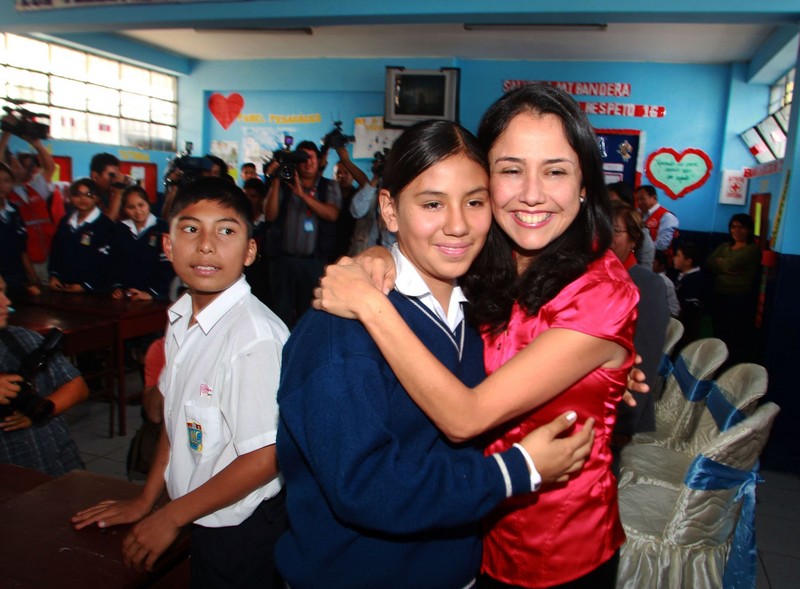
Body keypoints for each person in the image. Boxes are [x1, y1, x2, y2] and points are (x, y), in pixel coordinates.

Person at [314, 83, 640, 588]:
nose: (532, 193)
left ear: (584, 185)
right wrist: (381, 255)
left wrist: (372, 306)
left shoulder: (602, 292)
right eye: (511, 170)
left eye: (555, 170)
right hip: (466, 533)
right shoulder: (486, 262)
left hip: (555, 549)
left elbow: (466, 418)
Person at [72, 177, 290, 587]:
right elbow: (176, 420)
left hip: (241, 525)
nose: (206, 245)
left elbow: (266, 457)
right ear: (168, 245)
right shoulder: (181, 318)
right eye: (191, 229)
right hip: (196, 507)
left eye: (226, 231)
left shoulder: (253, 339)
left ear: (250, 251)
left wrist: (170, 515)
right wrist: (147, 499)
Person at [0, 275, 90, 476]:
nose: (6, 301)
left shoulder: (24, 339)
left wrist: (40, 411)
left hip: (57, 461)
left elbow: (78, 387)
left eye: (3, 292)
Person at [263, 140, 342, 328]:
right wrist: (275, 180)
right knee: (281, 313)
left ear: (319, 160)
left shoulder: (328, 186)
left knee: (312, 314)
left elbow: (332, 214)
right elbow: (270, 215)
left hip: (314, 262)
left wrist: (302, 195)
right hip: (284, 261)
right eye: (302, 158)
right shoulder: (283, 185)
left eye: (311, 158)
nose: (308, 163)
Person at [609, 201, 669, 441]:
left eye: (615, 231)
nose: (606, 238)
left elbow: (647, 354)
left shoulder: (647, 285)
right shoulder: (592, 278)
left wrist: (626, 419)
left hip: (620, 410)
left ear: (633, 239)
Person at [0, 120, 57, 282]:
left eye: (19, 163)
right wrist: (6, 134)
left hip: (47, 259)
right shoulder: (6, 195)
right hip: (25, 263)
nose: (17, 165)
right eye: (12, 162)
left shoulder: (34, 188)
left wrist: (36, 143)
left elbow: (50, 168)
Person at [706, 213, 760, 364]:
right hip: (720, 296)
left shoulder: (752, 249)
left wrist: (722, 265)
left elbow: (730, 264)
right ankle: (717, 364)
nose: (737, 230)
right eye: (734, 227)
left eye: (742, 227)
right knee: (719, 332)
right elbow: (709, 263)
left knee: (734, 337)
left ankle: (730, 366)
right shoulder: (725, 246)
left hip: (739, 299)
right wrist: (726, 268)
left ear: (749, 230)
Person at [48, 178, 116, 294]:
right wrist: (54, 275)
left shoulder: (105, 225)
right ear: (70, 198)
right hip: (63, 287)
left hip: (94, 291)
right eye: (77, 194)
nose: (83, 198)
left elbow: (106, 263)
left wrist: (86, 285)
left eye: (89, 194)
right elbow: (56, 251)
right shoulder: (65, 221)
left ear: (97, 197)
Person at [111, 185, 174, 301]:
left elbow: (168, 266)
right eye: (131, 207)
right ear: (124, 209)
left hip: (155, 296)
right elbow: (115, 262)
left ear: (148, 204)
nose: (138, 211)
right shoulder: (120, 229)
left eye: (141, 205)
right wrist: (117, 287)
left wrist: (151, 293)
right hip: (126, 295)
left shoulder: (163, 227)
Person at [0, 162, 41, 297]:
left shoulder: (14, 211)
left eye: (6, 181)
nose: (2, 185)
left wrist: (33, 278)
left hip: (16, 279)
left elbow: (22, 249)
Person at [607, 180, 654, 269]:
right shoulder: (595, 226)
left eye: (615, 202)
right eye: (606, 202)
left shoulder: (642, 234)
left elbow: (645, 272)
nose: (612, 207)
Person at [672, 242, 708, 346]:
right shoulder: (682, 276)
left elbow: (689, 312)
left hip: (684, 330)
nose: (674, 258)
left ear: (688, 261)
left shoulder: (694, 281)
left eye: (678, 255)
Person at [635, 184, 679, 254]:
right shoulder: (638, 213)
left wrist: (636, 247)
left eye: (642, 199)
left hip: (658, 261)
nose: (639, 203)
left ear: (654, 198)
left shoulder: (667, 217)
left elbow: (662, 246)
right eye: (637, 200)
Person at [89, 152, 122, 221]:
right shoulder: (87, 195)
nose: (115, 179)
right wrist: (118, 193)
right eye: (111, 175)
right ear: (95, 177)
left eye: (117, 175)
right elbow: (106, 224)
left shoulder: (108, 195)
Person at [652, 250, 680, 318]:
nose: (649, 264)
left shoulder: (664, 281)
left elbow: (675, 311)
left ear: (662, 266)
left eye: (653, 262)